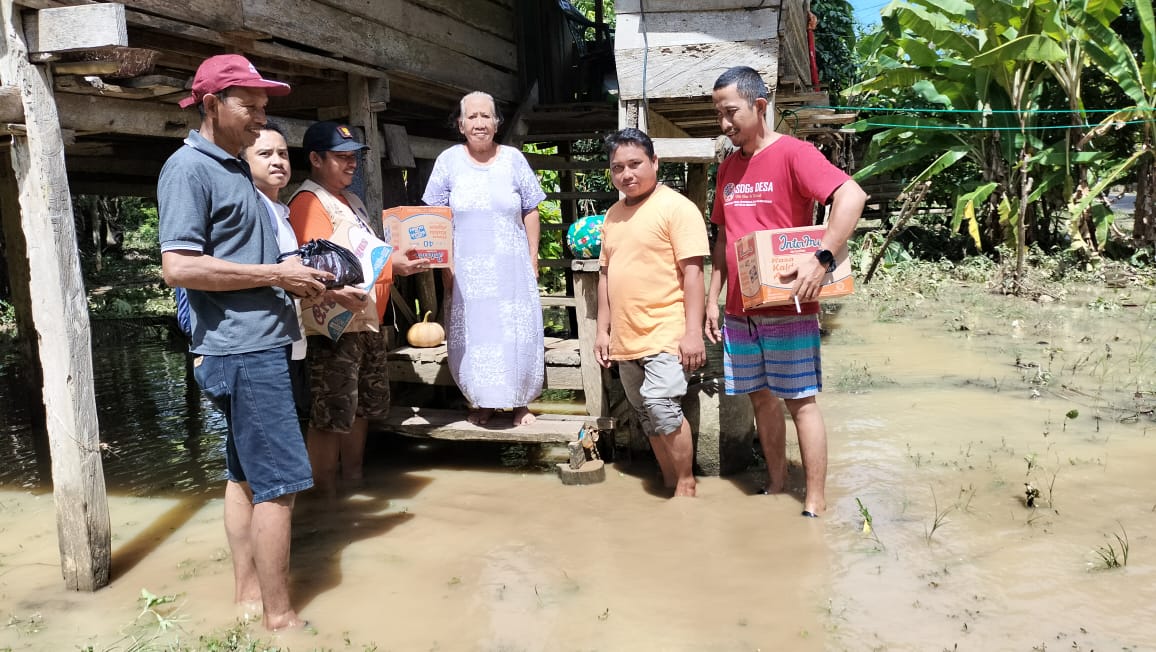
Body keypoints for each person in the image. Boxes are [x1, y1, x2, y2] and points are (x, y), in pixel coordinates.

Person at [158, 54, 329, 631]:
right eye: (249, 104)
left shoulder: (233, 167)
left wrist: (297, 280)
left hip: (256, 341)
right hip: (244, 348)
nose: (261, 116)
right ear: (210, 105)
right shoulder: (188, 169)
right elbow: (179, 268)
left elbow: (248, 257)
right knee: (280, 486)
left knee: (245, 478)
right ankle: (282, 621)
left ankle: (248, 597)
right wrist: (277, 277)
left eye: (264, 104)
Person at [705, 65, 867, 517]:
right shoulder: (728, 169)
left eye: (731, 112)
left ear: (760, 106)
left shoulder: (795, 154)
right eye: (719, 114)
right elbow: (721, 238)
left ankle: (814, 500)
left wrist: (823, 258)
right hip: (739, 310)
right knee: (760, 398)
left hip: (789, 305)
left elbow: (850, 196)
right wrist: (712, 301)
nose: (725, 124)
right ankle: (777, 485)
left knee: (801, 402)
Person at [288, 121, 426, 504]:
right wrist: (391, 267)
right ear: (315, 159)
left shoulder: (352, 202)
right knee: (331, 415)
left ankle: (353, 483)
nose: (351, 164)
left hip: (363, 323)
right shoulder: (309, 202)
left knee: (361, 408)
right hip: (330, 328)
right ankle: (325, 499)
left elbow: (368, 253)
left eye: (354, 157)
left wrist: (399, 261)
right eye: (341, 157)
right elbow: (318, 263)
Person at [594, 128, 709, 498]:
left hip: (665, 329)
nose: (626, 174)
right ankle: (670, 483)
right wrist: (602, 331)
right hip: (626, 337)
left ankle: (686, 486)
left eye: (635, 164)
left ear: (654, 162)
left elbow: (693, 274)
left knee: (661, 407)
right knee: (646, 415)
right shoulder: (612, 215)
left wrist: (692, 333)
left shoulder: (677, 208)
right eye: (617, 168)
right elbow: (605, 274)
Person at [422, 91, 547, 426]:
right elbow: (434, 215)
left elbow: (531, 209)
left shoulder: (513, 159)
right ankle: (482, 402)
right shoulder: (448, 161)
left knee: (515, 333)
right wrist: (444, 264)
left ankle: (520, 403)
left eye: (486, 116)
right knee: (477, 335)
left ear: (496, 123)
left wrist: (533, 257)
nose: (480, 123)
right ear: (461, 124)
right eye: (472, 117)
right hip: (466, 268)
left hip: (511, 265)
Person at [239, 122, 310, 419]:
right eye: (265, 153)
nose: (278, 161)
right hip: (262, 342)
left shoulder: (279, 211)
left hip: (287, 336)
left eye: (283, 153)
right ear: (243, 162)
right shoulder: (251, 208)